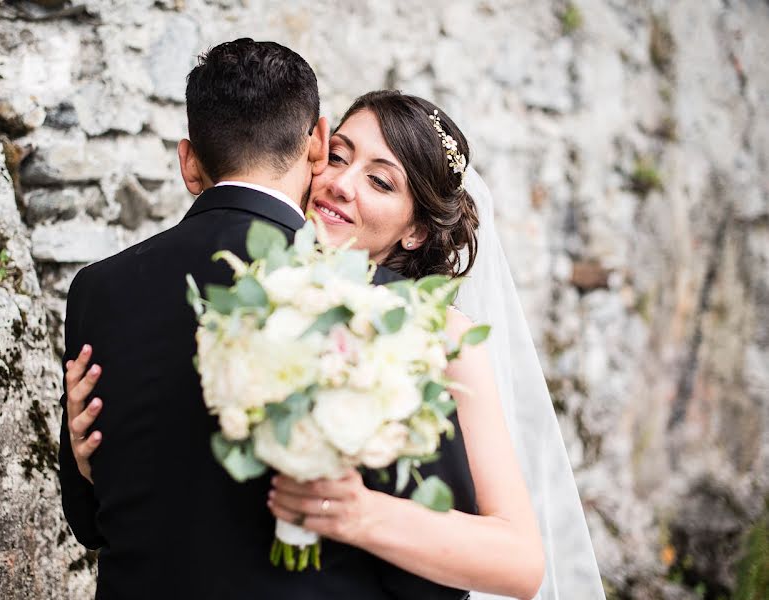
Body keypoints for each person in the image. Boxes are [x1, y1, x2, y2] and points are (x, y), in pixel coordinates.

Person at [61, 56, 602, 598]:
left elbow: (520, 561)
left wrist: (358, 513)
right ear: (314, 150)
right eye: (338, 156)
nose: (341, 184)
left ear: (415, 231)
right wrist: (95, 464)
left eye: (380, 182)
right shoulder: (225, 283)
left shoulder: (432, 331)